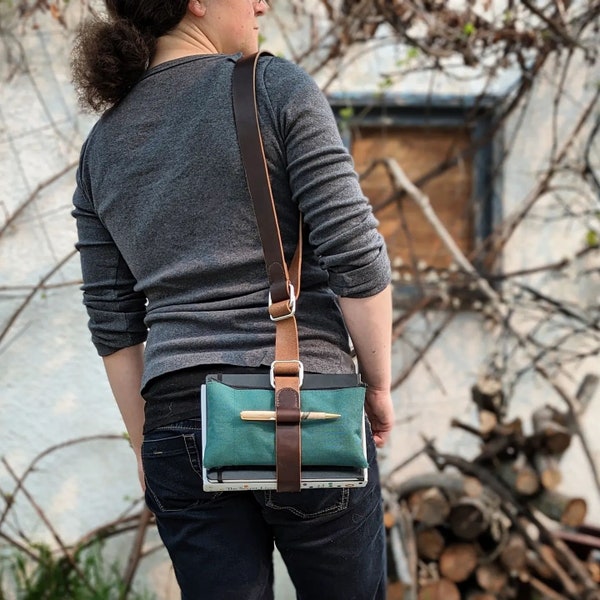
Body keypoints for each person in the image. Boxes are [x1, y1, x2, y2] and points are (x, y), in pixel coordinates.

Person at [71, 0, 395, 598]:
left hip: (174, 422)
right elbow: (356, 256)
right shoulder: (273, 87)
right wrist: (377, 386)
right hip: (304, 408)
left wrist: (147, 444)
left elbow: (114, 324)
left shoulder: (103, 143)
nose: (261, 4)